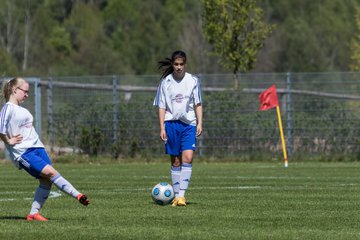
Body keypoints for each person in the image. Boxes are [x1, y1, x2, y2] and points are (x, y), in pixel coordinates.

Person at [0, 77, 90, 221]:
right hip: (24, 152)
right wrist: (7, 140)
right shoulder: (7, 108)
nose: (27, 95)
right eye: (25, 91)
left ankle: (33, 214)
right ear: (15, 90)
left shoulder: (21, 109)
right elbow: (0, 128)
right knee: (51, 172)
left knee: (46, 181)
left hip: (38, 148)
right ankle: (78, 195)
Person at [154, 50, 203, 206]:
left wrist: (200, 122)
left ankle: (181, 196)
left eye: (181, 64)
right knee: (175, 161)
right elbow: (161, 106)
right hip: (171, 124)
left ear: (185, 64)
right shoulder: (165, 82)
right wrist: (162, 127)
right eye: (176, 64)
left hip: (189, 124)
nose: (179, 67)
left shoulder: (193, 80)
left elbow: (198, 103)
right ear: (172, 65)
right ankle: (175, 196)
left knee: (188, 157)